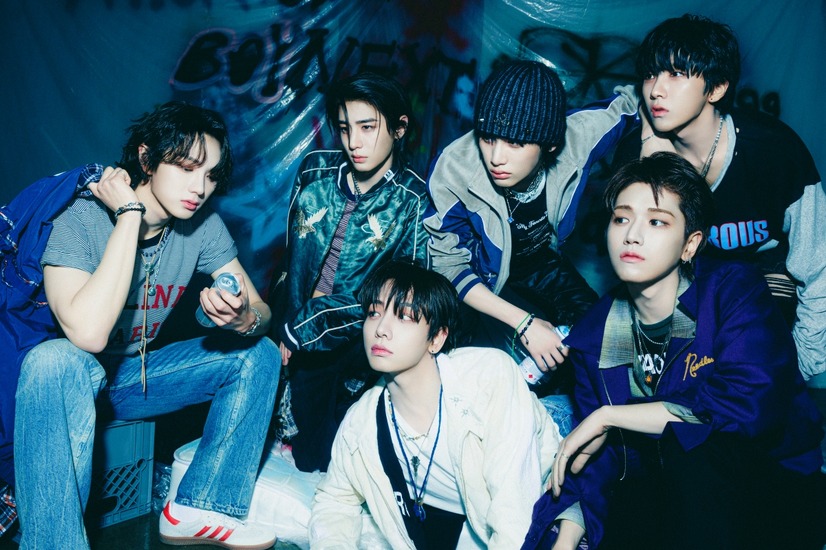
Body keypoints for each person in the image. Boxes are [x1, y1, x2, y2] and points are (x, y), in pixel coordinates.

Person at [522, 153, 824, 550]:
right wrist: (569, 530)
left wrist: (610, 416)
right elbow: (595, 456)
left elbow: (750, 402)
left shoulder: (732, 291)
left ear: (690, 244)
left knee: (691, 445)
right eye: (621, 218)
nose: (632, 235)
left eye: (657, 222)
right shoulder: (594, 335)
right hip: (671, 498)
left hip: (773, 486)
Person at [13, 102, 280, 550]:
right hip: (68, 384)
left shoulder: (202, 226)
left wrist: (244, 318)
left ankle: (198, 509)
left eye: (211, 175)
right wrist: (129, 213)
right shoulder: (79, 217)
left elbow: (262, 310)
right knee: (53, 360)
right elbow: (87, 335)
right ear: (146, 158)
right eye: (186, 167)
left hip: (134, 379)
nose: (200, 188)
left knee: (258, 353)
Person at [613, 14, 826, 459]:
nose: (656, 90)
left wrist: (803, 364)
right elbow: (634, 267)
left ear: (717, 88)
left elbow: (818, 265)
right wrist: (652, 164)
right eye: (650, 74)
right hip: (687, 308)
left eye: (676, 74)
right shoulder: (636, 152)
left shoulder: (773, 152)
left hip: (769, 301)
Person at [424, 59, 637, 399]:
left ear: (549, 144)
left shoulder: (578, 138)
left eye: (515, 143)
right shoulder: (455, 167)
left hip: (539, 261)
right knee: (468, 374)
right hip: (478, 275)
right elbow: (448, 266)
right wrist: (524, 323)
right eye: (488, 137)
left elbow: (635, 102)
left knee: (597, 330)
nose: (496, 157)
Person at [310, 261, 561, 549]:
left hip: (549, 457)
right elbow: (335, 500)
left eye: (404, 316)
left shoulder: (490, 377)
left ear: (438, 338)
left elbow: (514, 514)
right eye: (373, 313)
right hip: (452, 520)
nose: (381, 329)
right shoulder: (360, 423)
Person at [268, 72, 429, 473]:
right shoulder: (314, 172)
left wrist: (309, 323)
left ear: (399, 128)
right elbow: (291, 262)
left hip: (355, 341)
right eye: (345, 128)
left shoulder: (412, 200)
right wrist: (287, 321)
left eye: (368, 127)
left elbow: (401, 299)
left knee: (323, 458)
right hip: (292, 325)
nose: (354, 142)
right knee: (298, 451)